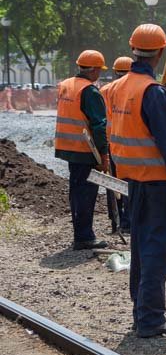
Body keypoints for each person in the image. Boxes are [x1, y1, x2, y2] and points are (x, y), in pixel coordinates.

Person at [108, 24, 166, 339]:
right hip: (158, 184)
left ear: (133, 49)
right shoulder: (152, 92)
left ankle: (141, 313)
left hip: (133, 182)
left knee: (142, 249)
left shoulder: (118, 87)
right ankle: (150, 319)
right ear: (160, 52)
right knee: (157, 250)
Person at [54, 50, 110, 251]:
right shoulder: (90, 91)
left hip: (68, 147)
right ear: (94, 70)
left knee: (77, 191)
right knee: (86, 192)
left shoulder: (66, 85)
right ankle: (84, 237)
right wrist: (104, 155)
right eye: (99, 71)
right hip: (85, 150)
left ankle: (81, 233)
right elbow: (98, 125)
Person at [100, 56, 134, 233]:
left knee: (112, 182)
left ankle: (115, 220)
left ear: (114, 72)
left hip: (109, 143)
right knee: (127, 182)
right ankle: (128, 222)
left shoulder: (104, 90)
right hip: (127, 145)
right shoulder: (132, 90)